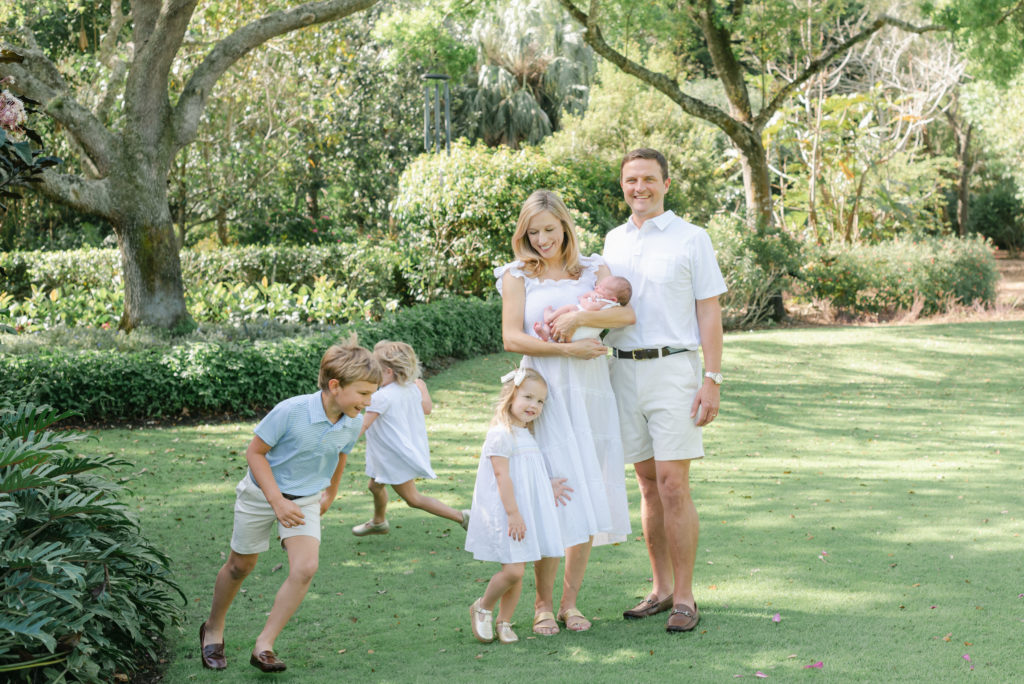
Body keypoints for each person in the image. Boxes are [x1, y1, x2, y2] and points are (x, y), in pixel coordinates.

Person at [496, 189, 634, 636]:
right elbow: (512, 340)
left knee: (586, 493)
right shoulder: (517, 275)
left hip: (591, 394)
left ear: (565, 227)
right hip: (544, 395)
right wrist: (568, 349)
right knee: (549, 494)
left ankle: (570, 605)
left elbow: (626, 315)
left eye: (549, 230)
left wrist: (577, 319)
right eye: (532, 232)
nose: (541, 240)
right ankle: (540, 605)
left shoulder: (593, 270)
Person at [199, 336, 382, 672]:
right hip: (261, 494)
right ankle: (213, 628)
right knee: (241, 566)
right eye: (364, 393)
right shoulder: (291, 411)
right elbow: (254, 453)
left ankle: (264, 646)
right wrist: (277, 501)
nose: (369, 402)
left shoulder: (353, 421)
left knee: (305, 567)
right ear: (335, 385)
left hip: (307, 499)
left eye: (372, 394)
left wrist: (331, 492)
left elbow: (340, 455)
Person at [601, 148, 726, 633]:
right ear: (623, 184)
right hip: (622, 372)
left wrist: (711, 380)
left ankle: (687, 598)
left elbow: (709, 313)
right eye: (631, 180)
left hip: (674, 370)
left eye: (649, 179)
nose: (640, 188)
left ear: (666, 184)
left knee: (675, 485)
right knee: (648, 485)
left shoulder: (692, 239)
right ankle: (660, 589)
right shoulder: (612, 241)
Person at [465, 367, 567, 644]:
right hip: (509, 514)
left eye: (540, 401)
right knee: (513, 570)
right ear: (510, 396)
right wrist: (513, 514)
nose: (534, 405)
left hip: (525, 514)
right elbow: (502, 476)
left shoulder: (526, 435)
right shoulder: (501, 434)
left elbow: (528, 476)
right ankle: (483, 606)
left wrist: (548, 486)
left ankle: (504, 621)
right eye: (528, 397)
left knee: (517, 570)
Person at [351, 340, 469, 536]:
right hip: (388, 452)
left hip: (394, 456)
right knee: (375, 485)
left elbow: (363, 425)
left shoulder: (381, 397)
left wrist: (339, 443)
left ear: (388, 371)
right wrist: (422, 389)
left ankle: (462, 517)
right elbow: (427, 408)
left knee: (413, 499)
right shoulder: (411, 388)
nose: (371, 373)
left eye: (375, 369)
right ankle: (379, 522)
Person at [533, 275, 632, 342]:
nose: (597, 287)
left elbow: (589, 307)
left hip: (578, 329)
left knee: (571, 307)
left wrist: (582, 299)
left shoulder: (606, 302)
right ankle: (545, 333)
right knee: (557, 323)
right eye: (599, 285)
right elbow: (588, 297)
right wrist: (590, 294)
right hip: (576, 330)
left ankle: (550, 317)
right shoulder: (604, 299)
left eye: (602, 288)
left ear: (613, 298)